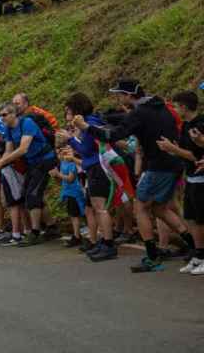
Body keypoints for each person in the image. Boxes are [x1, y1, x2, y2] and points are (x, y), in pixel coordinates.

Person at [73, 80, 193, 272]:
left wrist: (86, 127)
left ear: (129, 95)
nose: (119, 99)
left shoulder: (140, 113)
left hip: (157, 166)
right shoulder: (161, 106)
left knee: (140, 208)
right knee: (159, 208)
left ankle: (152, 257)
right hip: (174, 163)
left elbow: (112, 136)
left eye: (120, 95)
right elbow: (127, 121)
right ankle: (194, 245)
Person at [57, 92, 117, 261]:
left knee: (101, 207)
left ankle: (108, 243)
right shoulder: (88, 123)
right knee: (96, 208)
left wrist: (70, 140)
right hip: (92, 168)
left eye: (69, 110)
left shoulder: (89, 123)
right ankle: (104, 240)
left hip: (98, 167)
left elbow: (86, 149)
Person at [0, 103, 57, 246]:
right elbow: (9, 150)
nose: (2, 118)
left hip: (45, 159)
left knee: (32, 195)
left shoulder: (27, 123)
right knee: (29, 194)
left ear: (13, 114)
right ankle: (51, 226)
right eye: (0, 115)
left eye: (4, 115)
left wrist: (1, 163)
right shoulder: (8, 129)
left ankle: (35, 233)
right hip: (33, 163)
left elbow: (23, 149)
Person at [157, 91, 204, 273]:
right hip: (191, 177)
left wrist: (173, 149)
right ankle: (197, 254)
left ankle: (202, 256)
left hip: (200, 177)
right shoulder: (185, 126)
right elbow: (185, 151)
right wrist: (172, 149)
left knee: (200, 220)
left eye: (176, 106)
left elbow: (194, 155)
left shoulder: (199, 124)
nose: (175, 110)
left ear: (183, 106)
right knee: (191, 218)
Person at [52, 146, 88, 247]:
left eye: (65, 152)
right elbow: (61, 181)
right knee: (72, 215)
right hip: (68, 192)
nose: (62, 155)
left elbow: (70, 179)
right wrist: (55, 176)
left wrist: (58, 174)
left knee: (76, 214)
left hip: (75, 193)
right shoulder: (62, 164)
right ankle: (77, 235)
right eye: (60, 153)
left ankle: (78, 236)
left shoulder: (72, 164)